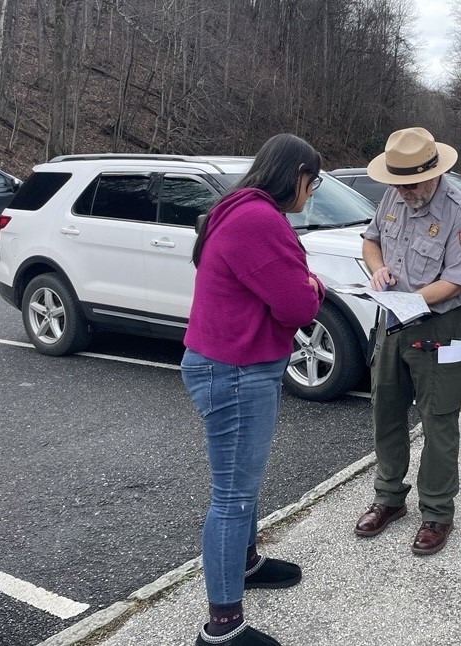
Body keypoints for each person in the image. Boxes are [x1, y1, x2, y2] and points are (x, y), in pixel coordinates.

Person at [181, 133, 326, 646]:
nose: (312, 193)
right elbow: (299, 305)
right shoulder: (259, 219)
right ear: (298, 175)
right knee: (232, 496)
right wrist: (316, 286)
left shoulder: (238, 207)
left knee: (243, 486)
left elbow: (281, 289)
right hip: (235, 370)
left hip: (229, 363)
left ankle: (245, 563)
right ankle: (222, 627)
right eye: (314, 181)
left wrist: (303, 283)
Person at [354, 127, 461, 556]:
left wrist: (410, 298)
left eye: (411, 183)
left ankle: (436, 512)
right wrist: (377, 272)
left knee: (439, 420)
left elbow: (455, 281)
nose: (404, 191)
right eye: (397, 183)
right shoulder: (394, 195)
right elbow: (371, 241)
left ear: (434, 172)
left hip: (440, 329)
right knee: (386, 410)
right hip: (391, 321)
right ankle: (389, 498)